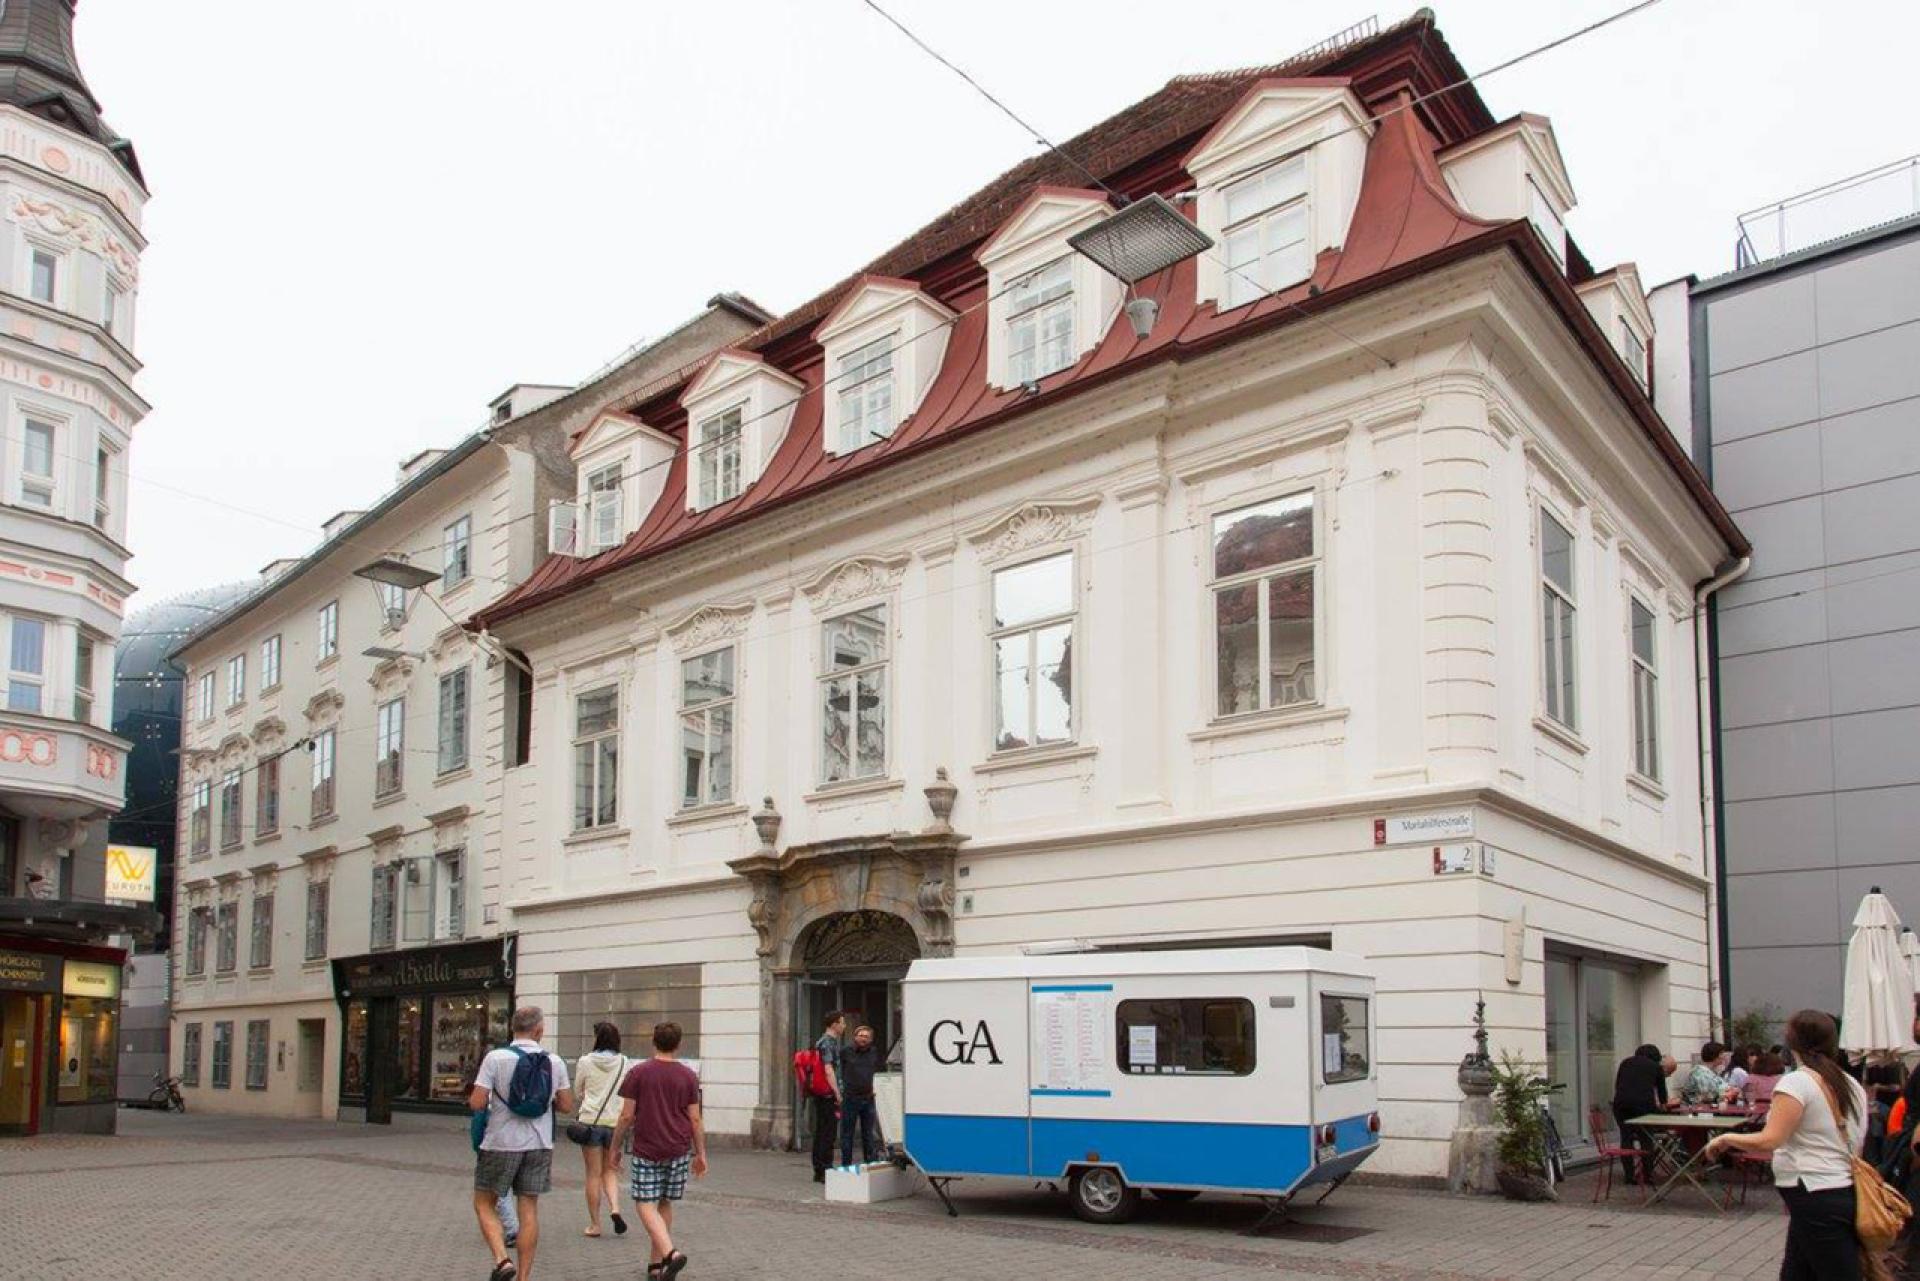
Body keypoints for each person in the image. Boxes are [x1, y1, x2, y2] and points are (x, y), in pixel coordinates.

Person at [1705, 1009, 1869, 1280]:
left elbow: (1771, 1139)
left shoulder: (1797, 1082)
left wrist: (1725, 1138)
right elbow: (1859, 1140)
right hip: (1839, 1187)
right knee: (1796, 1272)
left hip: (1813, 1191)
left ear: (1792, 1042)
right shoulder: (1849, 1083)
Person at [469, 1005, 574, 1281]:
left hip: (500, 1143)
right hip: (539, 1144)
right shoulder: (554, 1062)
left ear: (512, 1028)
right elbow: (565, 1105)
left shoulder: (495, 1058)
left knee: (483, 1203)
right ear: (539, 1030)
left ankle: (502, 1261)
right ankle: (524, 1277)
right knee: (528, 1209)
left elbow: (477, 1102)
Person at [611, 1021, 706, 1281]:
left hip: (647, 1147)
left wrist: (615, 1148)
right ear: (678, 1044)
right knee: (664, 1202)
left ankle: (670, 1254)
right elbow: (695, 1119)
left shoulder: (639, 1073)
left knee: (644, 1203)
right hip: (678, 1148)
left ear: (654, 1041)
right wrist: (701, 1153)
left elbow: (626, 1116)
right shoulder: (688, 1076)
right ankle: (656, 1266)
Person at [571, 1022, 629, 1239]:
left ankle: (595, 1224)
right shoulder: (625, 1062)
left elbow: (578, 1091)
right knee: (610, 1171)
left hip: (591, 1122)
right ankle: (615, 1208)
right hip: (614, 1124)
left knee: (593, 1174)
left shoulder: (585, 1061)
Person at [1610, 1043, 1671, 1184]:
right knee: (1646, 1138)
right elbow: (1662, 1092)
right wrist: (1663, 1105)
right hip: (1643, 1106)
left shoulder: (1625, 1063)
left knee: (1626, 1138)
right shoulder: (1656, 1067)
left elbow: (1618, 1084)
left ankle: (1629, 1176)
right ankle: (1647, 1175)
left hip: (1621, 1105)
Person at [838, 1023, 883, 1167]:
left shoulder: (874, 1052)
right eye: (860, 1035)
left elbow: (877, 1071)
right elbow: (838, 1070)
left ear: (871, 1039)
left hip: (868, 1097)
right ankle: (846, 1165)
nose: (863, 1038)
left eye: (866, 1036)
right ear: (855, 1037)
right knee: (847, 1134)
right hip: (850, 1098)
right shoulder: (846, 1051)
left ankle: (869, 1163)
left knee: (868, 1134)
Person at [810, 1011, 846, 1183]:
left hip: (822, 1092)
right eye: (842, 1022)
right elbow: (828, 1069)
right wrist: (837, 1093)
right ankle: (824, 1168)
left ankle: (820, 1167)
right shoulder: (827, 1043)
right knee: (827, 1132)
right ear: (834, 1024)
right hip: (827, 1093)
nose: (844, 1026)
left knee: (822, 1130)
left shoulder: (824, 1042)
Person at [1681, 1041, 1738, 1105]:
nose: (1724, 1056)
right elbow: (1708, 1095)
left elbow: (1724, 1087)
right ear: (1715, 1055)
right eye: (1721, 1053)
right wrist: (1728, 1093)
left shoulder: (1711, 1072)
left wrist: (1732, 1091)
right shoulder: (1699, 1073)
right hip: (1699, 1111)